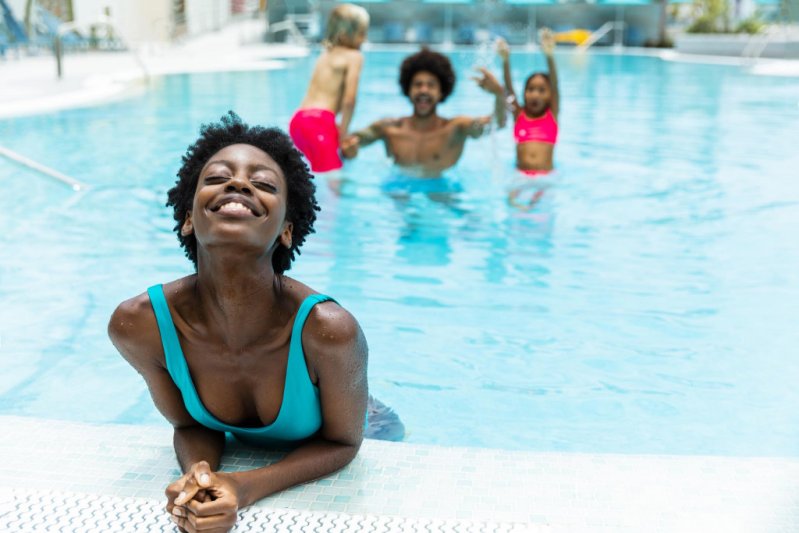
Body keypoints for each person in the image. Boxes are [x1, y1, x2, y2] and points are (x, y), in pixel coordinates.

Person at [108, 113, 402, 533]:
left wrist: (243, 488)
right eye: (217, 178)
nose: (239, 185)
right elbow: (190, 425)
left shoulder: (328, 331)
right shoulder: (140, 325)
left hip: (370, 424)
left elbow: (344, 442)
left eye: (263, 184)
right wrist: (201, 477)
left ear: (286, 230)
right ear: (188, 217)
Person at [340, 47, 505, 179]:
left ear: (441, 92)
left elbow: (497, 123)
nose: (423, 90)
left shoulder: (455, 128)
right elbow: (348, 142)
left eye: (431, 85)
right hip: (398, 196)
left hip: (442, 196)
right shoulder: (388, 128)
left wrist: (498, 94)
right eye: (417, 85)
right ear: (408, 89)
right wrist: (349, 150)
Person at [289, 3, 369, 174]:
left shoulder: (325, 55)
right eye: (362, 33)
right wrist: (343, 135)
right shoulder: (354, 56)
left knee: (309, 176)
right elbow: (349, 100)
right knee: (333, 182)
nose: (365, 39)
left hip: (298, 123)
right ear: (347, 33)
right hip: (319, 123)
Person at [497, 30, 559, 210]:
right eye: (530, 89)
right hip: (520, 175)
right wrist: (505, 60)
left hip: (545, 177)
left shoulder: (552, 115)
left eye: (541, 90)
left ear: (549, 96)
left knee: (539, 208)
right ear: (524, 93)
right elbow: (508, 90)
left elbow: (555, 86)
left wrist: (549, 57)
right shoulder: (519, 115)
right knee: (511, 204)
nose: (535, 94)